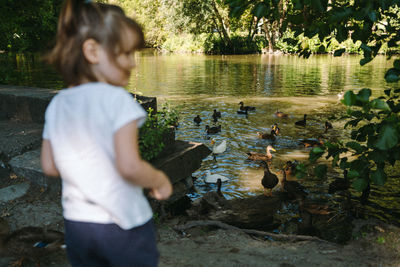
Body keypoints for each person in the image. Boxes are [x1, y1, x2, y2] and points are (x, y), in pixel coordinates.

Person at [40, 0, 172, 266]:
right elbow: (129, 166)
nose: (133, 63)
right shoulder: (117, 100)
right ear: (92, 51)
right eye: (125, 53)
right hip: (123, 225)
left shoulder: (58, 103)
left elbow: (50, 165)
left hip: (78, 226)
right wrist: (159, 180)